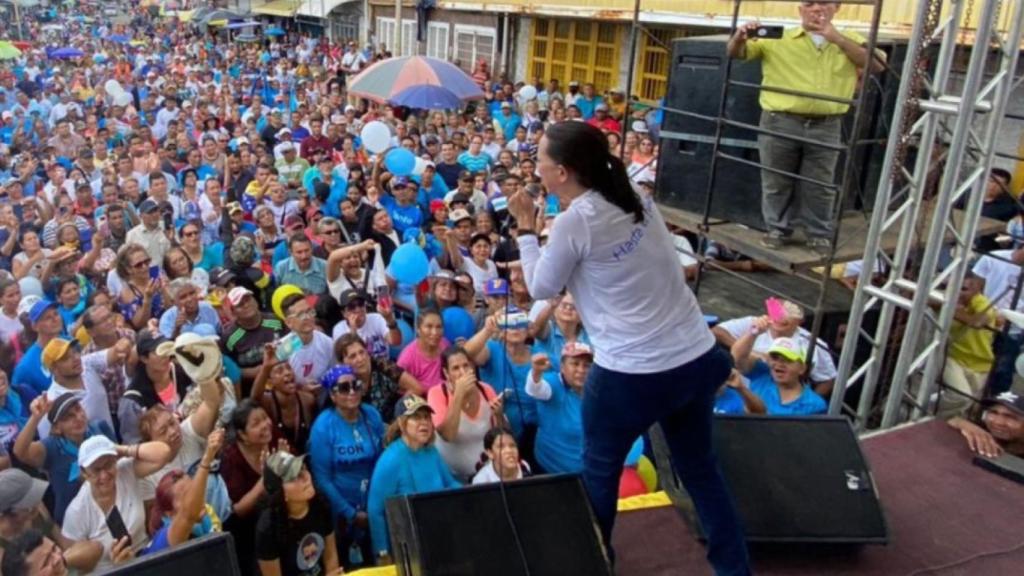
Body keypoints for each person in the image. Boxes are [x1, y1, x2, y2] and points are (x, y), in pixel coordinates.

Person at [507, 121, 750, 572]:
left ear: (561, 172)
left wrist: (525, 229)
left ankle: (595, 566)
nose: (534, 166)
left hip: (632, 373)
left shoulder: (576, 221)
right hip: (695, 356)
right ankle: (735, 569)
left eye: (540, 158)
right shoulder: (636, 196)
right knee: (700, 471)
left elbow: (541, 286)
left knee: (598, 474)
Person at [727, 3, 884, 254]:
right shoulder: (780, 37)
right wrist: (738, 37)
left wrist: (837, 39)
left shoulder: (851, 39)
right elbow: (736, 53)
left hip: (826, 124)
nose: (817, 9)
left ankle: (819, 234)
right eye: (810, 3)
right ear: (800, 9)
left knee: (820, 183)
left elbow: (876, 65)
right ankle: (777, 229)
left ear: (837, 8)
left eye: (824, 3)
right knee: (776, 180)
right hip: (780, 119)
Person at [308, 364, 385, 569]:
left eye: (355, 385)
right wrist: (350, 513)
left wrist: (376, 503)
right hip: (340, 514)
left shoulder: (371, 415)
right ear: (332, 396)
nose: (351, 392)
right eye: (343, 388)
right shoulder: (323, 427)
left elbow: (382, 459)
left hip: (374, 504)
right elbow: (322, 478)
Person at [367, 395, 460, 564]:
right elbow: (375, 511)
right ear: (402, 424)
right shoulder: (391, 460)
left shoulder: (431, 452)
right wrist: (383, 553)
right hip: (408, 547)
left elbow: (451, 484)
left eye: (426, 417)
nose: (424, 422)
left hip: (438, 537)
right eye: (416, 417)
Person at [61, 435, 173, 570]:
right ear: (84, 473)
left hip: (145, 555)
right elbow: (74, 566)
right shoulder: (77, 511)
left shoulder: (124, 471)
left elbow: (164, 453)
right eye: (96, 470)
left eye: (108, 464)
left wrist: (122, 450)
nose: (104, 475)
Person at [255, 451, 341, 576]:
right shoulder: (268, 527)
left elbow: (331, 556)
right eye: (295, 477)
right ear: (281, 493)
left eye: (303, 468)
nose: (306, 477)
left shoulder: (321, 503)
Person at [143, 429, 225, 555]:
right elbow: (188, 515)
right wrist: (207, 458)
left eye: (195, 489)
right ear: (170, 514)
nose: (196, 497)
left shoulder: (205, 513)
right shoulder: (169, 538)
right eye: (187, 496)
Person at [427, 347, 505, 480]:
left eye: (466, 366)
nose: (463, 372)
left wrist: (498, 414)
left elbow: (501, 434)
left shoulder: (486, 390)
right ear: (446, 373)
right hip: (451, 477)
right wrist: (458, 395)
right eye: (456, 368)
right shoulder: (437, 394)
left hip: (484, 474)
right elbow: (448, 436)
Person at [731, 326, 827, 416]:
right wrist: (754, 332)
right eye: (775, 358)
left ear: (802, 368)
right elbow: (737, 358)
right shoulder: (761, 374)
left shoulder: (815, 404)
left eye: (788, 360)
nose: (779, 364)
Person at [335, 333, 420, 422]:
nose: (360, 359)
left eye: (362, 352)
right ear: (342, 363)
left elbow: (416, 388)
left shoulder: (383, 365)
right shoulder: (343, 385)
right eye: (353, 356)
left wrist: (398, 417)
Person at [251, 343, 317, 455]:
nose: (287, 373)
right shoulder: (268, 402)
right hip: (277, 462)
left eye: (289, 368)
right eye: (279, 371)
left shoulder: (308, 400)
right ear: (270, 382)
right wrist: (266, 367)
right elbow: (254, 398)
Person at [948, 391, 1024, 458]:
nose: (998, 422)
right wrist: (959, 423)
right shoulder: (978, 430)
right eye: (993, 412)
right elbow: (949, 421)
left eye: (1010, 417)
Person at [331, 289, 401, 360]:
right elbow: (346, 357)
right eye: (351, 306)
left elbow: (395, 342)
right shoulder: (339, 329)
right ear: (344, 313)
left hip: (383, 366)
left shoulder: (376, 318)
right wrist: (353, 331)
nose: (358, 309)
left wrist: (390, 319)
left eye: (360, 304)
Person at [396, 309, 449, 391]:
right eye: (429, 326)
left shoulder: (445, 344)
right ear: (418, 329)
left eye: (439, 327)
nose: (435, 332)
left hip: (444, 394)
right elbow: (399, 388)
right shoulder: (407, 357)